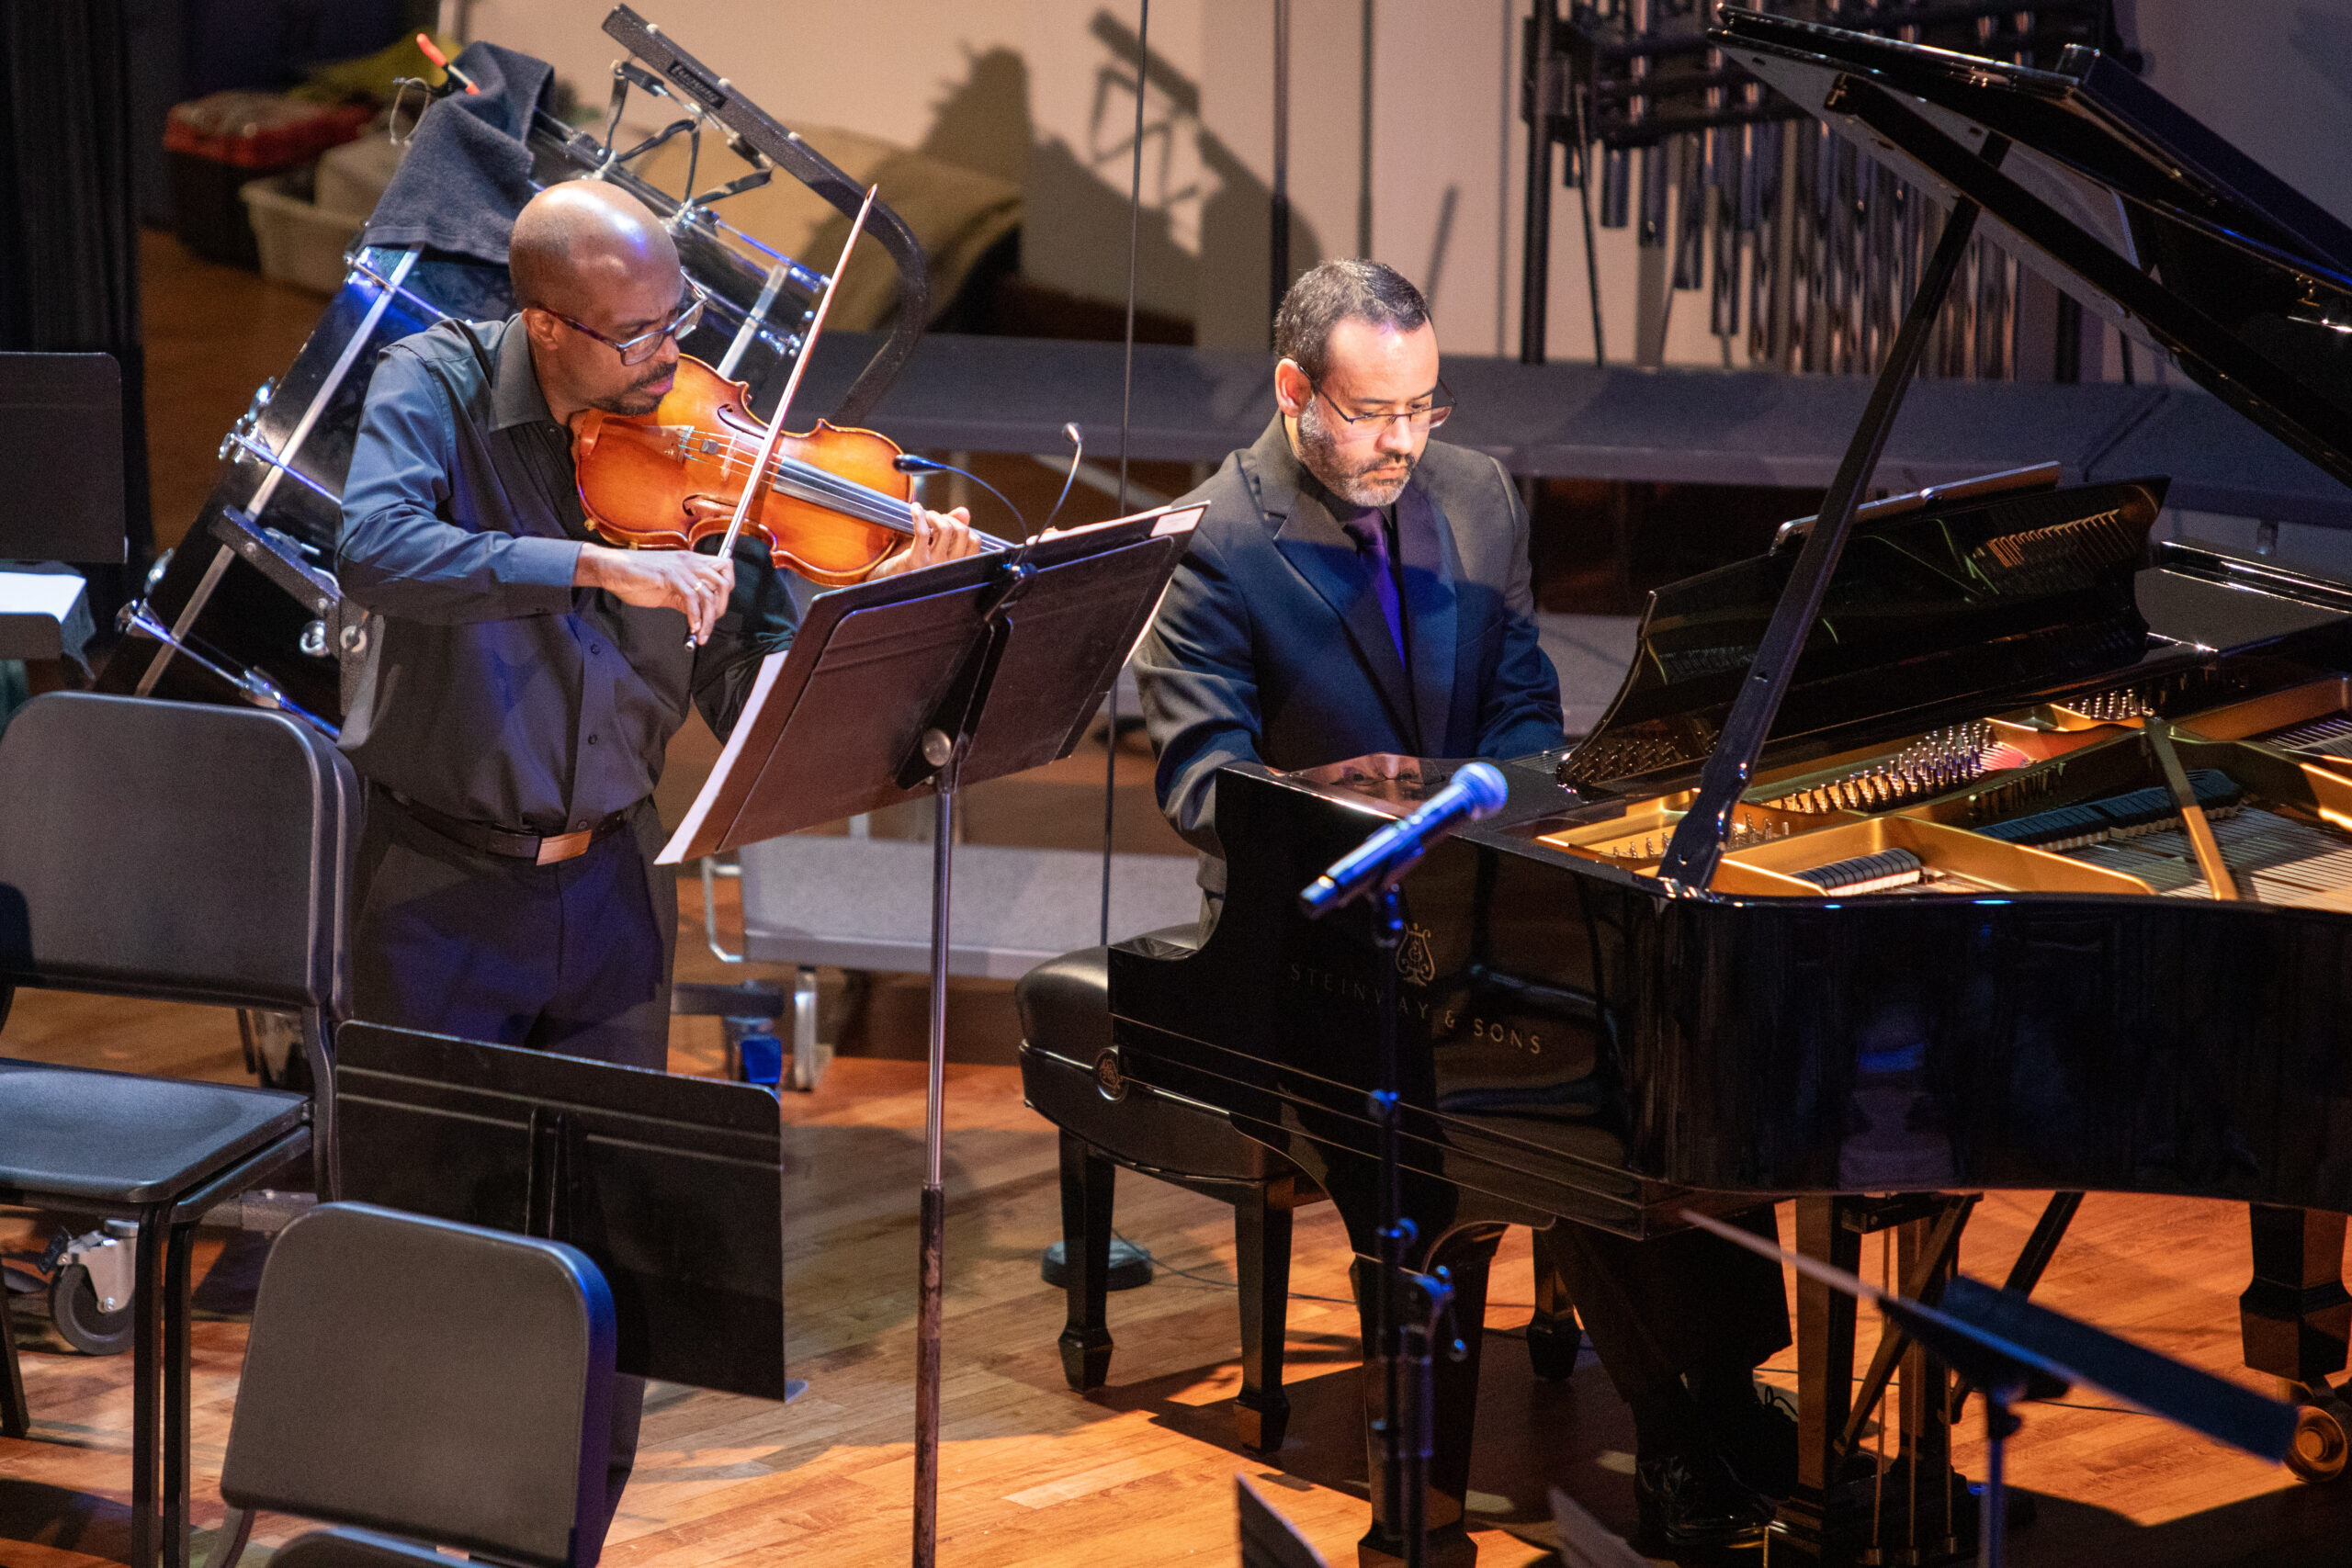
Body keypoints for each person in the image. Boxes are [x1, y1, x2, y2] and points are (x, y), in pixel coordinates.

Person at [334, 178, 980, 1537]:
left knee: (606, 1244)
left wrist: (863, 608)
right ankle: (406, 1528)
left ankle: (568, 1529)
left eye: (674, 318)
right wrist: (591, 566)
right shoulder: (431, 387)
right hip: (434, 885)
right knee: (420, 1230)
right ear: (545, 323)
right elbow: (379, 548)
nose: (668, 358)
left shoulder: (700, 441)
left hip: (615, 890)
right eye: (632, 334)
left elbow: (739, 672)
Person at [1135, 259, 1792, 1550]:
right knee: (1564, 1089)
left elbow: (1526, 705)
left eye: (1423, 407)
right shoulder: (1213, 540)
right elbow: (1200, 784)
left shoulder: (1480, 497)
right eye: (1374, 411)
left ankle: (1723, 1390)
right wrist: (1343, 796)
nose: (1401, 442)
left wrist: (1521, 805)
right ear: (1294, 390)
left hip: (1483, 893)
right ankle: (1681, 1437)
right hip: (1307, 932)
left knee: (1663, 1033)